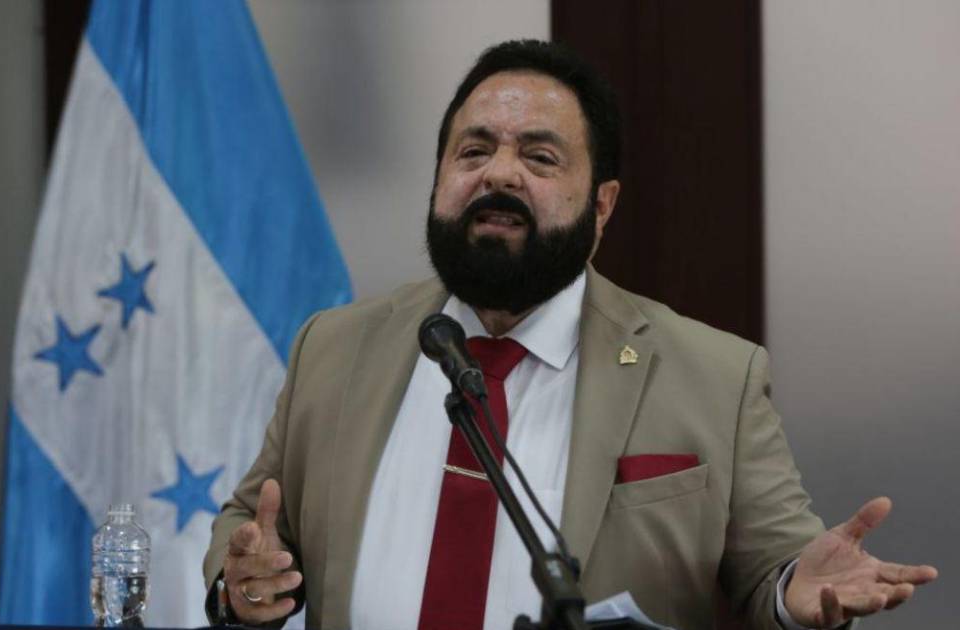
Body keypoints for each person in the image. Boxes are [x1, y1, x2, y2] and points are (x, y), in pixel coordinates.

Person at [201, 39, 937, 630]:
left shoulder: (715, 375)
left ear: (602, 205)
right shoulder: (333, 347)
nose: (500, 174)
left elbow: (774, 570)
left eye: (540, 157)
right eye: (473, 151)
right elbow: (255, 521)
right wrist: (242, 583)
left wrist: (793, 592)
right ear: (438, 180)